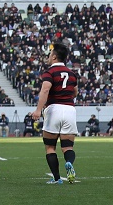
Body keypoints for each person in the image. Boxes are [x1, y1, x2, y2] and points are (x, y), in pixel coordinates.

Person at [34, 41, 79, 185]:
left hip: (54, 109)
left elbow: (45, 90)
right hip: (70, 109)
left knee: (50, 147)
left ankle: (57, 178)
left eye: (50, 54)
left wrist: (38, 110)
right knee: (67, 147)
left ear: (54, 57)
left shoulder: (49, 72)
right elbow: (75, 92)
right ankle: (69, 163)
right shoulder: (72, 74)